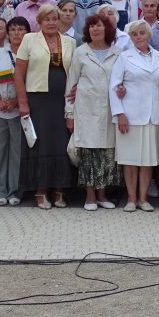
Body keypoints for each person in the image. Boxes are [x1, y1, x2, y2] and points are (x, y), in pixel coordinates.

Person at [15, 4, 77, 210]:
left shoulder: (70, 42)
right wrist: (22, 102)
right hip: (37, 100)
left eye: (55, 19)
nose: (51, 22)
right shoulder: (29, 40)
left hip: (62, 100)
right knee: (40, 144)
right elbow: (19, 74)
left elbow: (75, 73)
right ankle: (40, 190)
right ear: (39, 22)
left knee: (61, 143)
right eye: (47, 19)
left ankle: (59, 189)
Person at [65, 12, 122, 211]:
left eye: (99, 26)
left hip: (109, 110)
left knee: (107, 153)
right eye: (91, 26)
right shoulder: (81, 52)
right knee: (88, 153)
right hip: (86, 110)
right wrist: (69, 114)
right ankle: (89, 196)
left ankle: (102, 195)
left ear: (108, 29)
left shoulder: (118, 52)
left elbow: (123, 79)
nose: (95, 29)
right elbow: (71, 84)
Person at [110, 19, 159, 212]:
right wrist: (120, 113)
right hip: (130, 115)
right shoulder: (124, 57)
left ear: (149, 34)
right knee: (130, 160)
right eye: (134, 34)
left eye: (142, 33)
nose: (139, 37)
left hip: (153, 115)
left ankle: (143, 199)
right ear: (130, 37)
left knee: (148, 160)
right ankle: (131, 199)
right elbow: (114, 86)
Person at [0, 16, 29, 206]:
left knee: (18, 151)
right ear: (8, 33)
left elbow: (33, 82)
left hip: (19, 110)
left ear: (28, 33)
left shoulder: (31, 54)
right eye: (13, 30)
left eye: (21, 30)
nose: (17, 33)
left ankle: (15, 190)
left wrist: (17, 101)